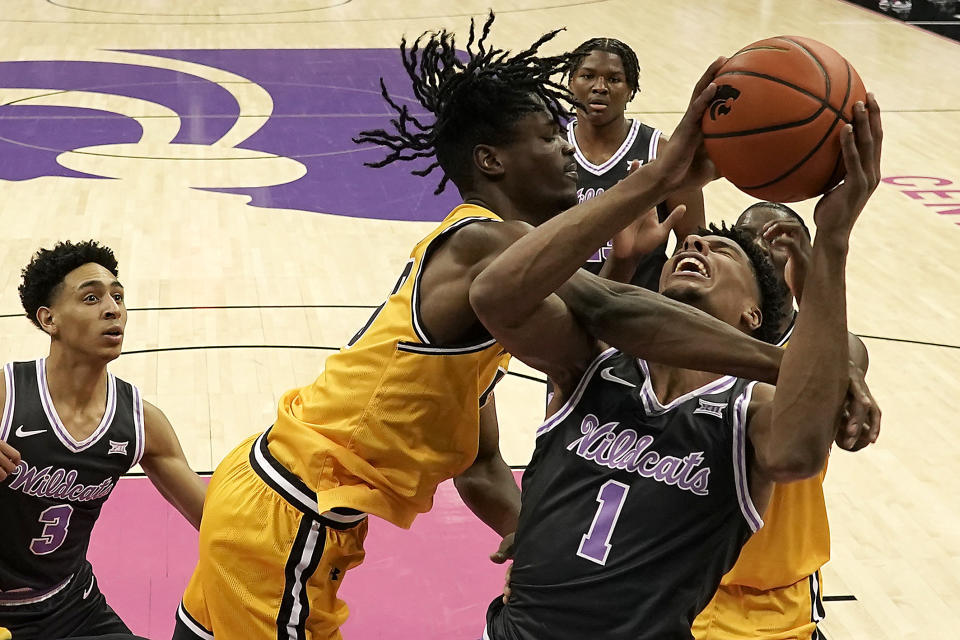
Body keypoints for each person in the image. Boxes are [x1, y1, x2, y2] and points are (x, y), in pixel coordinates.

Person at [173, 15, 792, 640]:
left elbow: (479, 464)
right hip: (292, 510)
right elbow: (610, 311)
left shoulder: (489, 271)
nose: (567, 150)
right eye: (550, 137)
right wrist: (659, 178)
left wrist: (535, 530)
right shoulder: (485, 239)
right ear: (492, 160)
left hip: (272, 499)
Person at [471, 68, 883, 640]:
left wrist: (832, 242)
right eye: (688, 243)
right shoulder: (592, 364)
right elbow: (496, 292)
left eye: (721, 250)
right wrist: (656, 178)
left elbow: (799, 449)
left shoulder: (754, 410)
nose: (691, 241)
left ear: (754, 315)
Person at [0, 240, 206, 639]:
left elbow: (216, 523)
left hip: (71, 607)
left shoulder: (140, 423)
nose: (113, 309)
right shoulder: (7, 396)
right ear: (49, 320)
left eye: (118, 296)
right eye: (91, 298)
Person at [691, 202, 871, 640]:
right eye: (749, 239)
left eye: (783, 239)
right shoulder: (699, 331)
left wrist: (817, 286)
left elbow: (837, 364)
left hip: (776, 597)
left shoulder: (835, 349)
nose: (766, 248)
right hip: (688, 582)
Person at [565, 37, 705, 289]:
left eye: (614, 79)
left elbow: (693, 242)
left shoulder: (663, 152)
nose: (600, 87)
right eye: (587, 76)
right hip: (560, 305)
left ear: (631, 90)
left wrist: (664, 295)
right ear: (570, 82)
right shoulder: (549, 148)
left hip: (636, 308)